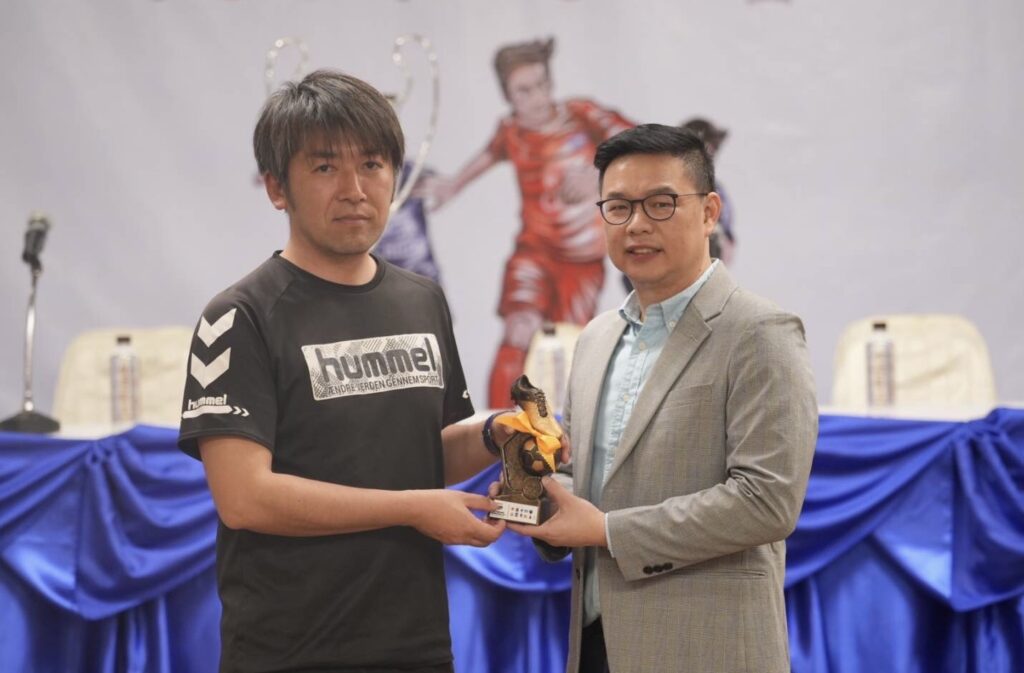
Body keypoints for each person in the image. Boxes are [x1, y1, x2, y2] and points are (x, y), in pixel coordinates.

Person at [178, 69, 510, 673]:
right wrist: (410, 507)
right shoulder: (238, 317)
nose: (355, 189)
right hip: (287, 652)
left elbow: (422, 456)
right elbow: (245, 498)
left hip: (418, 646)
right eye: (326, 167)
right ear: (277, 188)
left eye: (373, 165)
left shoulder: (422, 300)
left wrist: (494, 436)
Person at [508, 124, 818, 673]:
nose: (637, 224)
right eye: (618, 207)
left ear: (709, 211)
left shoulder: (760, 331)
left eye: (660, 203)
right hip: (596, 644)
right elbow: (584, 481)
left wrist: (606, 531)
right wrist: (534, 495)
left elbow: (766, 501)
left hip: (709, 650)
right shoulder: (596, 337)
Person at [425, 37, 633, 408]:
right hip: (534, 252)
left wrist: (600, 174)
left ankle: (556, 433)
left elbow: (639, 142)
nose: (537, 97)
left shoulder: (581, 114)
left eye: (542, 84)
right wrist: (452, 185)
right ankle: (494, 426)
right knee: (519, 329)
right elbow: (487, 156)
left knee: (565, 348)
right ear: (507, 95)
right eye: (524, 90)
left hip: (582, 262)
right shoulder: (511, 132)